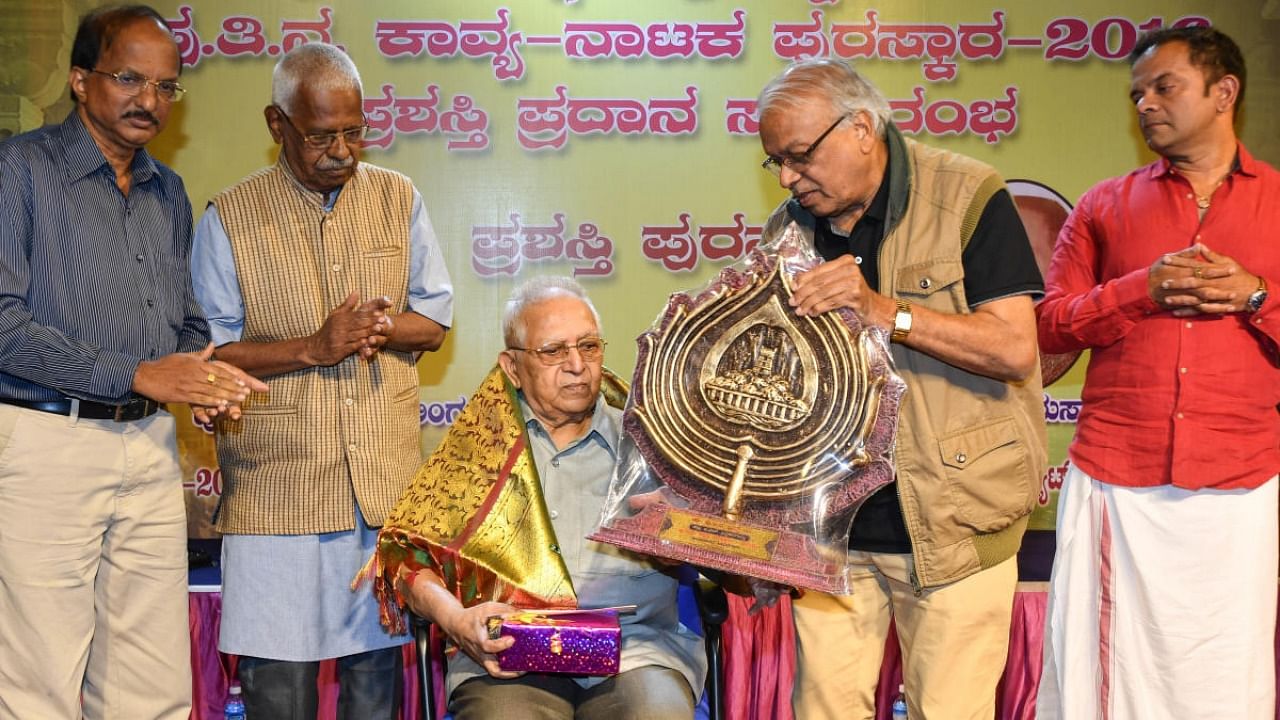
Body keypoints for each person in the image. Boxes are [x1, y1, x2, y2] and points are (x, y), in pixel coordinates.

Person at [753, 58, 1048, 719]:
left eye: (800, 157)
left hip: (952, 524)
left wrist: (887, 311)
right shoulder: (788, 230)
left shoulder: (968, 196)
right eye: (774, 162)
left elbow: (1013, 348)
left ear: (862, 128)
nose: (788, 179)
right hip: (834, 533)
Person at [0, 6, 265, 719]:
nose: (150, 100)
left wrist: (198, 377)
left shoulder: (167, 191)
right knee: (37, 684)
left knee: (152, 687)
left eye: (166, 86)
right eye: (129, 79)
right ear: (81, 81)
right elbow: (2, 323)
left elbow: (182, 321)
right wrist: (140, 373)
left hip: (148, 446)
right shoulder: (17, 170)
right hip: (44, 442)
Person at [189, 42, 453, 718]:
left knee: (373, 689)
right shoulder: (230, 217)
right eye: (321, 135)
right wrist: (315, 347)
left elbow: (436, 321)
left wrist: (381, 330)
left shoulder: (398, 198)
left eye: (354, 131)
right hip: (277, 500)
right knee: (281, 695)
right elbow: (210, 354)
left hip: (378, 496)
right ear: (278, 126)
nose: (342, 149)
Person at [1036, 26, 1279, 719]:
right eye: (1136, 93)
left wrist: (1256, 295)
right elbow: (1049, 329)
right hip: (1120, 474)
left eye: (1163, 87)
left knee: (1224, 676)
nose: (1145, 104)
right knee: (1101, 680)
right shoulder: (1103, 206)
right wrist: (1140, 288)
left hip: (1240, 480)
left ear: (1223, 92)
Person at [370, 276, 706, 720]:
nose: (577, 365)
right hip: (510, 655)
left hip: (635, 651)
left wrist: (689, 530)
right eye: (553, 351)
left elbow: (735, 561)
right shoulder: (476, 454)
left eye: (589, 346)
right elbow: (407, 559)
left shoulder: (657, 446)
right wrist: (456, 621)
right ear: (512, 367)